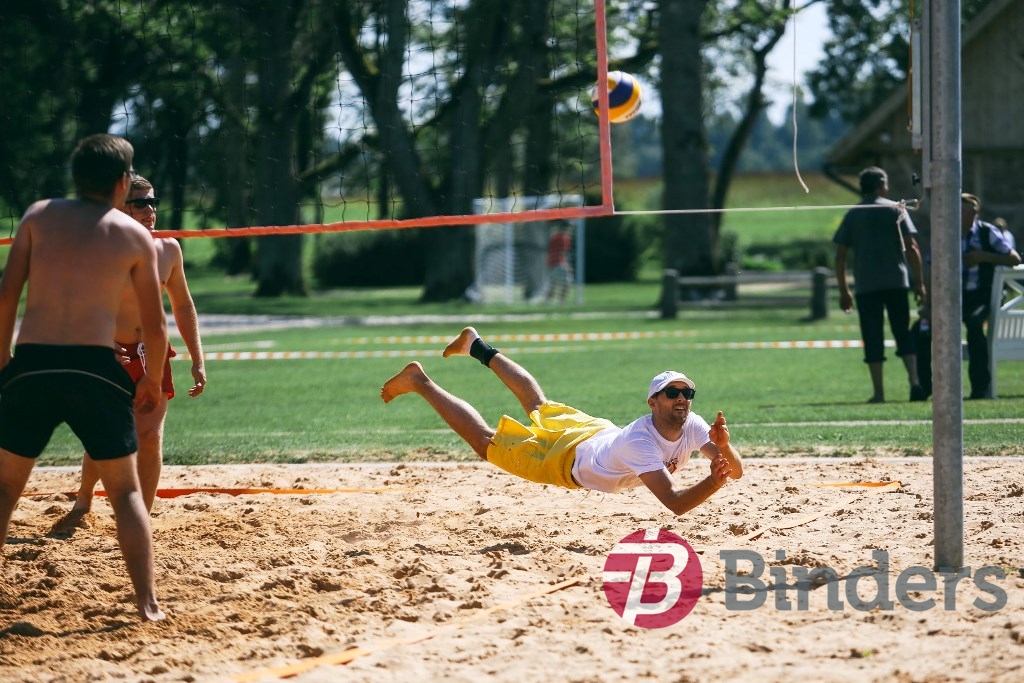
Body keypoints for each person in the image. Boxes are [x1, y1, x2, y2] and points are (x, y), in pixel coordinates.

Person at [0, 134, 167, 621]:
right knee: (126, 493)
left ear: (75, 176)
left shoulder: (37, 215)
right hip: (94, 367)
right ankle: (147, 604)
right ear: (122, 183)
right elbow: (156, 326)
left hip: (34, 362)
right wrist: (151, 381)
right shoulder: (134, 235)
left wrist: (4, 360)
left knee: (5, 490)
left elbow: (6, 295)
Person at [380, 327, 742, 515]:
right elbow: (675, 503)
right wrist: (713, 480)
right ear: (653, 401)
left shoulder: (692, 424)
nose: (682, 398)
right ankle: (420, 382)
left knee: (537, 404)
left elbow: (736, 471)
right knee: (486, 443)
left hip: (597, 433)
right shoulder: (641, 442)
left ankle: (475, 345)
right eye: (672, 392)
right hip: (567, 461)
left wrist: (724, 448)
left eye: (687, 393)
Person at [52, 175, 207, 533]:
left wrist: (198, 359)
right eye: (140, 203)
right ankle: (84, 498)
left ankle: (141, 518)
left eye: (153, 202)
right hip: (108, 352)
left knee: (150, 437)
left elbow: (183, 306)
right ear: (120, 207)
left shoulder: (168, 249)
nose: (150, 210)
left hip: (151, 352)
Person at [833, 167, 927, 403]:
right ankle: (915, 382)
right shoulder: (896, 209)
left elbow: (840, 256)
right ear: (881, 184)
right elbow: (912, 247)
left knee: (872, 337)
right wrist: (919, 283)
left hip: (867, 285)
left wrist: (844, 290)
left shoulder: (853, 214)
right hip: (896, 281)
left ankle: (879, 392)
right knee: (902, 332)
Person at [960, 194, 1022, 399]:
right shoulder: (946, 232)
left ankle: (980, 388)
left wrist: (983, 257)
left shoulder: (986, 232)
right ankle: (923, 389)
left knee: (974, 325)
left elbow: (1014, 258)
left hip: (981, 295)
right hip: (952, 296)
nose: (959, 215)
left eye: (964, 211)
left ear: (975, 213)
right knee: (923, 329)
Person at [545, 220, 573, 303]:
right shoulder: (564, 238)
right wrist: (567, 266)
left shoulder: (553, 236)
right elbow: (563, 252)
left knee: (553, 282)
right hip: (559, 262)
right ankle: (562, 300)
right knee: (568, 281)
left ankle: (548, 300)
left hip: (550, 262)